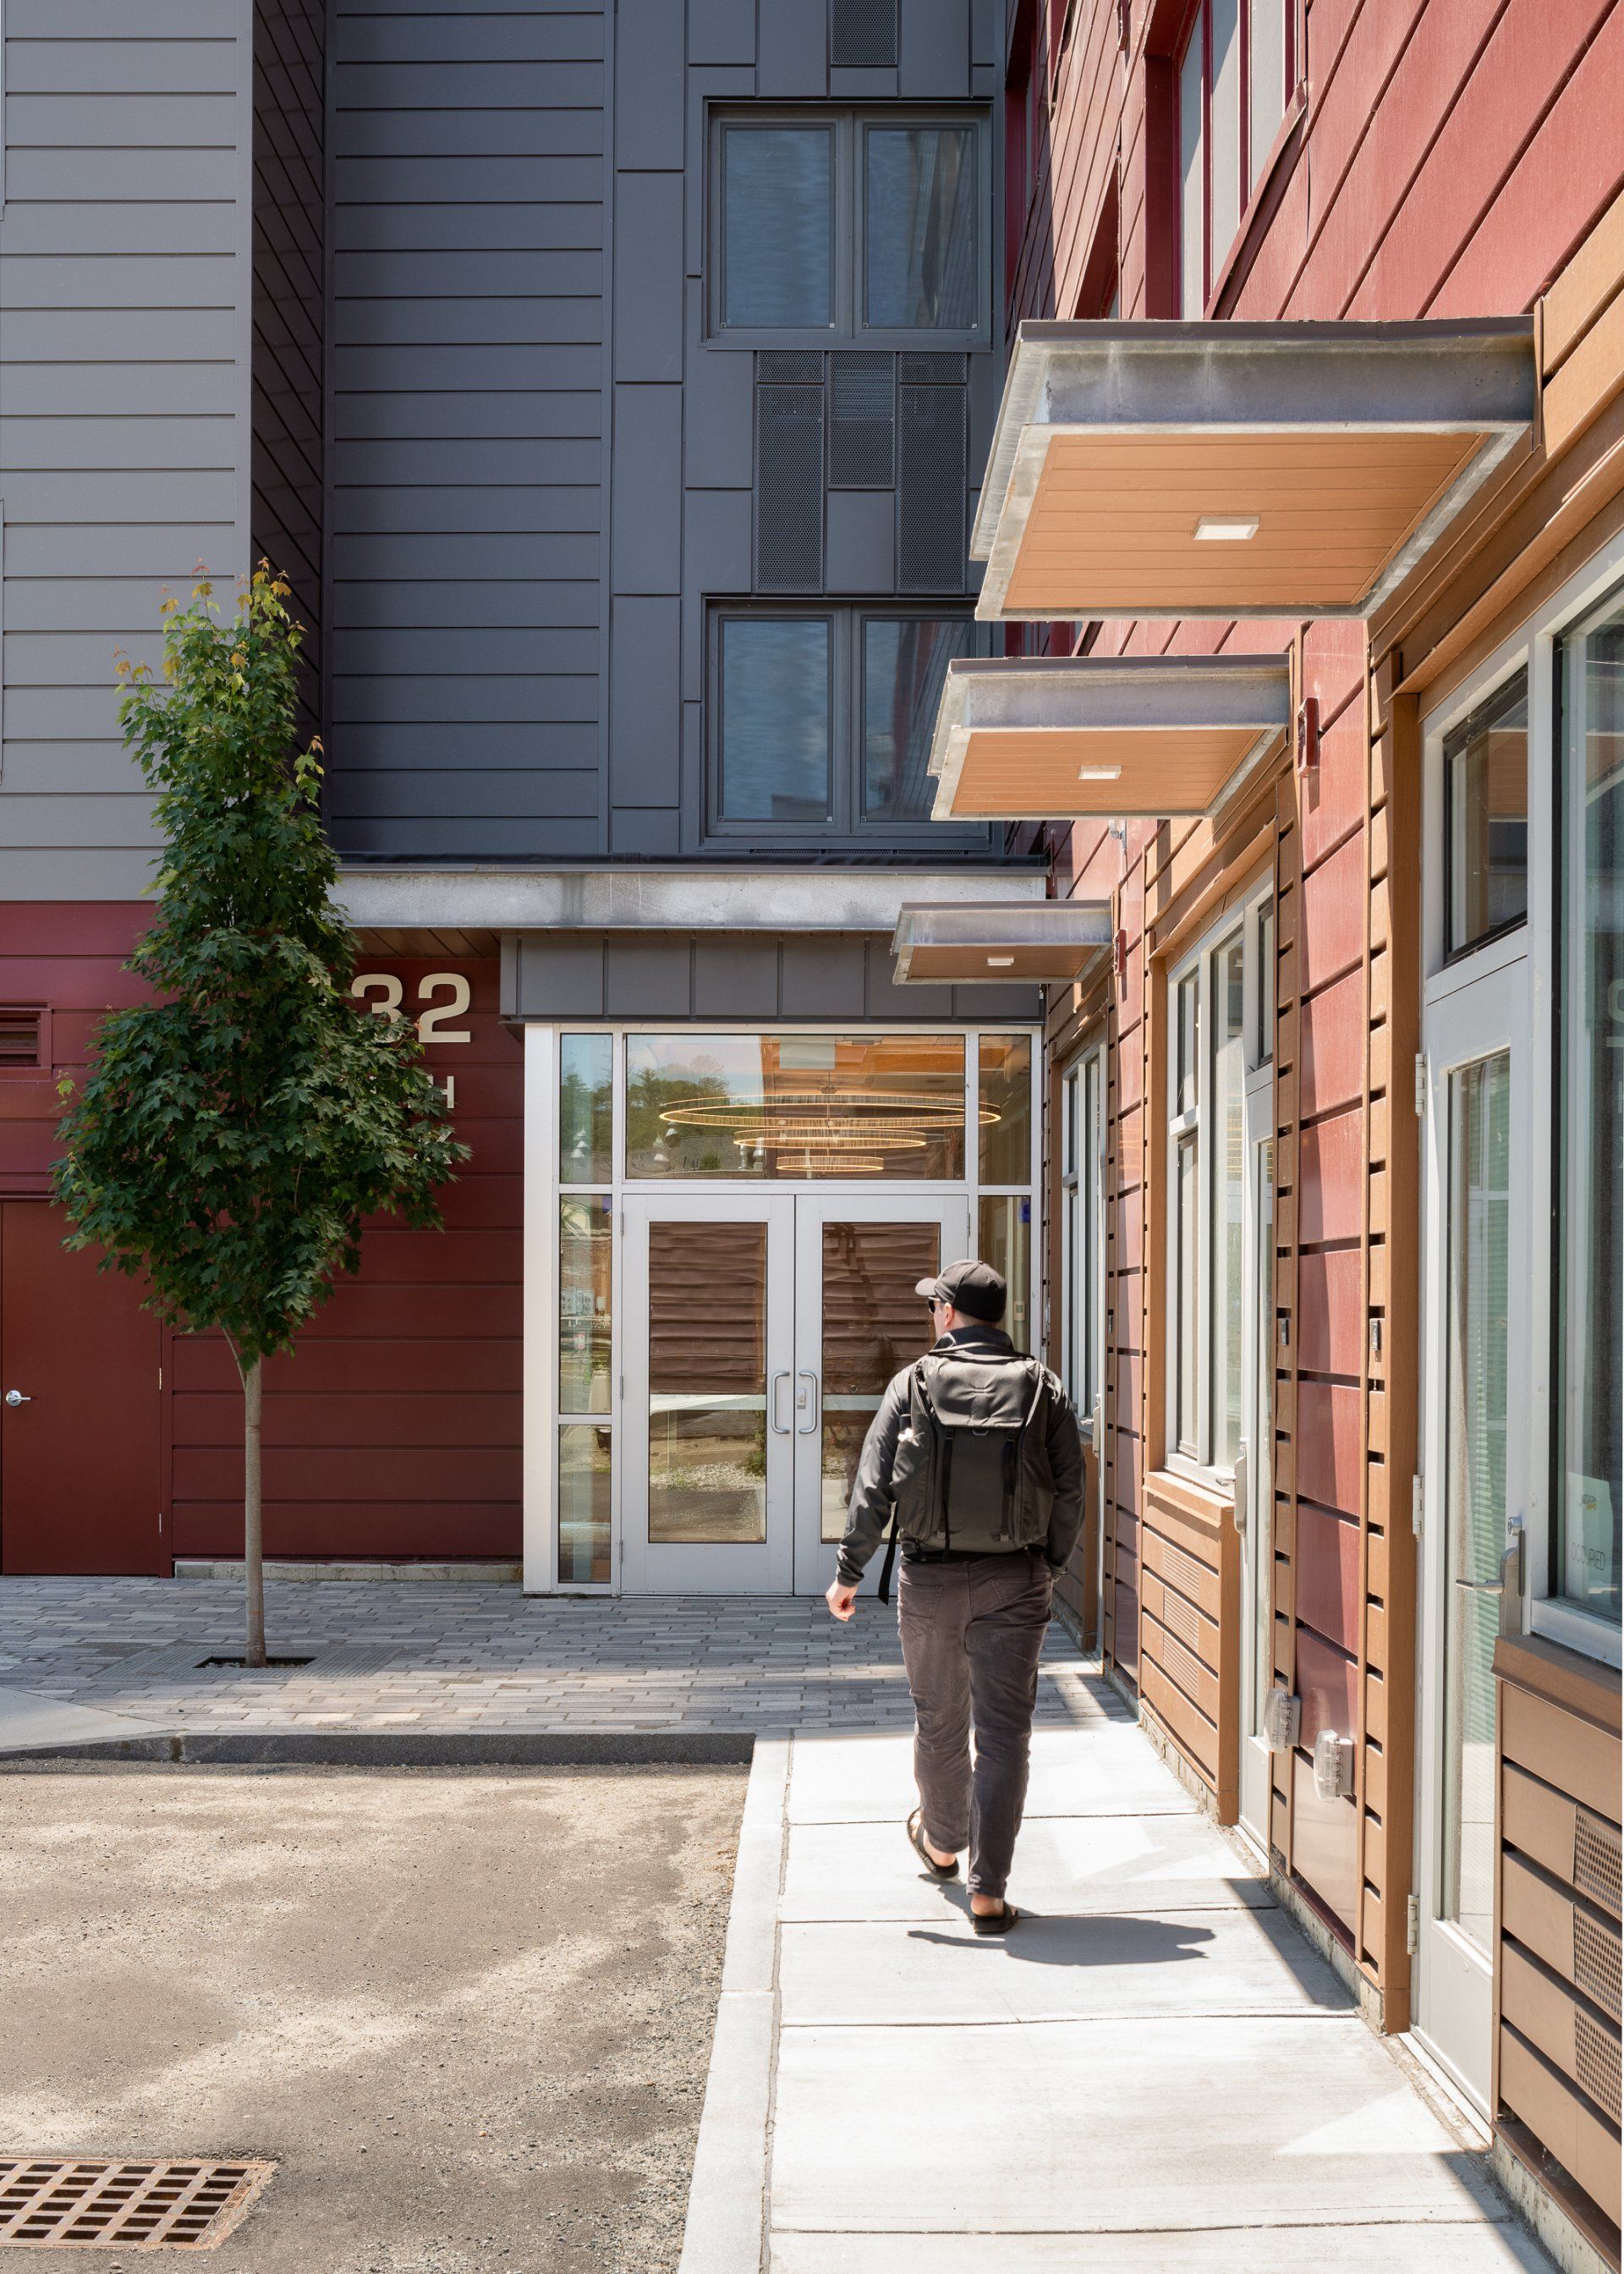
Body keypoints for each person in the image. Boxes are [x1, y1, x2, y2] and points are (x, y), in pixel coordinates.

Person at [826, 1257, 1084, 1933]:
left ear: (946, 1312)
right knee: (1004, 1735)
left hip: (931, 1578)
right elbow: (1070, 1493)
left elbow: (872, 1485)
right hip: (1017, 1577)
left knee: (939, 1720)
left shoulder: (911, 1383)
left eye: (932, 1306)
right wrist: (1047, 1569)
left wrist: (850, 1572)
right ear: (997, 1318)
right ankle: (989, 1894)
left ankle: (942, 1845)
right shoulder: (1041, 1387)